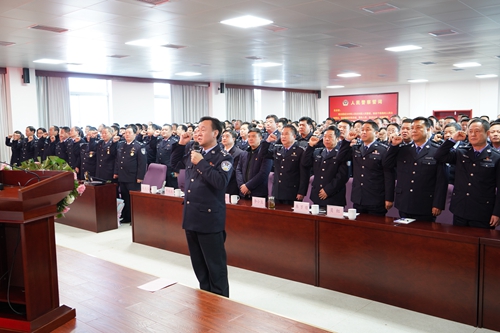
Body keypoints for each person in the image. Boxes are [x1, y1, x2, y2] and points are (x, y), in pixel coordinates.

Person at [170, 116, 233, 297]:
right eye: (197, 128)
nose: (198, 131)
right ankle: (206, 298)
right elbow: (174, 165)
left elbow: (220, 182)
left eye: (203, 129)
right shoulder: (193, 151)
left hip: (209, 219)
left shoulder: (223, 157)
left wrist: (202, 163)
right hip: (191, 216)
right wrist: (181, 144)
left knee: (215, 266)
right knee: (198, 264)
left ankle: (221, 301)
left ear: (215, 133)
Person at [435, 118, 500, 228]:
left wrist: (497, 212)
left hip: (483, 210)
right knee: (460, 242)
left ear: (487, 133)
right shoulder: (461, 152)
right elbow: (439, 156)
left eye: (477, 131)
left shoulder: (496, 157)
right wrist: (453, 140)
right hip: (460, 208)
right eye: (470, 131)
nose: (473, 134)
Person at [382, 117, 448, 222]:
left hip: (425, 202)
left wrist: (437, 204)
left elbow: (441, 180)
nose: (414, 130)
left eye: (418, 127)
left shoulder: (436, 151)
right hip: (405, 201)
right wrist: (393, 146)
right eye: (412, 128)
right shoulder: (403, 150)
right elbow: (387, 164)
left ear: (428, 129)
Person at [338, 121, 395, 215]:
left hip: (376, 197)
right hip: (359, 197)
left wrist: (389, 198)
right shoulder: (356, 148)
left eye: (367, 130)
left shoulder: (383, 150)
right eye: (362, 130)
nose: (364, 132)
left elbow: (388, 175)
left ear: (376, 133)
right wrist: (347, 141)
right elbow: (340, 158)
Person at [301, 126, 348, 207]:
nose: (326, 139)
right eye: (325, 136)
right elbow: (305, 163)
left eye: (330, 137)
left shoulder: (341, 154)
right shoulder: (318, 152)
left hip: (334, 197)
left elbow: (342, 176)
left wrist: (328, 190)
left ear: (337, 138)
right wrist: (310, 146)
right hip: (317, 195)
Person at [262, 125, 309, 205]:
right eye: (282, 134)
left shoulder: (300, 151)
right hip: (277, 191)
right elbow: (263, 154)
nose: (283, 136)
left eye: (286, 134)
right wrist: (267, 141)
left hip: (291, 191)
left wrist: (301, 192)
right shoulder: (278, 149)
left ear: (294, 136)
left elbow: (304, 174)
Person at [114, 127, 147, 224]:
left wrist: (140, 177)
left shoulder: (139, 146)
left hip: (133, 176)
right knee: (125, 197)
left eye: (129, 132)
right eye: (125, 133)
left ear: (135, 134)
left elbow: (142, 163)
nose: (126, 134)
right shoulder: (121, 145)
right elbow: (117, 160)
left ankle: (135, 218)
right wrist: (116, 172)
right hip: (122, 175)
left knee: (133, 199)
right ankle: (127, 216)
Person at [236, 128, 273, 199]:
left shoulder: (265, 154)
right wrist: (242, 186)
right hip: (243, 192)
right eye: (249, 136)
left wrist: (248, 186)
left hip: (258, 193)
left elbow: (263, 173)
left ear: (260, 138)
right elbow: (238, 170)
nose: (250, 139)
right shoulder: (244, 153)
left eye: (253, 136)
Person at [221, 129, 243, 196]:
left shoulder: (239, 153)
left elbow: (235, 171)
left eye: (227, 136)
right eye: (223, 136)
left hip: (231, 186)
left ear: (233, 139)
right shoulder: (218, 152)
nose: (224, 138)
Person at [155, 124, 179, 188]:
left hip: (170, 169)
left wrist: (176, 170)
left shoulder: (174, 142)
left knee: (171, 188)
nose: (164, 131)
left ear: (171, 131)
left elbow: (177, 158)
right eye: (162, 130)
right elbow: (157, 155)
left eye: (166, 130)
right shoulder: (159, 141)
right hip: (160, 168)